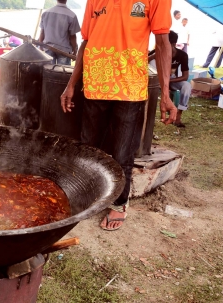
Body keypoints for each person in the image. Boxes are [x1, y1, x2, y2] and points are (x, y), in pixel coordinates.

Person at [60, 0, 177, 232]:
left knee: (122, 152)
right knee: (89, 149)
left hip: (130, 88)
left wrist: (166, 93)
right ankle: (88, 196)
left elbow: (163, 42)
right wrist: (71, 84)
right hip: (95, 84)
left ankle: (120, 203)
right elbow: (86, 42)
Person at [149, 31, 191, 127]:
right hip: (155, 81)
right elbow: (143, 62)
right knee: (151, 65)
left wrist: (168, 81)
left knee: (187, 86)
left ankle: (178, 115)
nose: (163, 47)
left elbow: (185, 76)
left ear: (173, 44)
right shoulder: (157, 51)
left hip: (170, 80)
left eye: (165, 44)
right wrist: (153, 56)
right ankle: (151, 117)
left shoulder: (182, 55)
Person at [38, 0, 80, 65]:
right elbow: (72, 37)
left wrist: (40, 46)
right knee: (62, 73)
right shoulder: (72, 15)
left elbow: (42, 33)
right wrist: (75, 50)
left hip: (48, 48)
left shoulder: (45, 13)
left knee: (48, 72)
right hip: (64, 50)